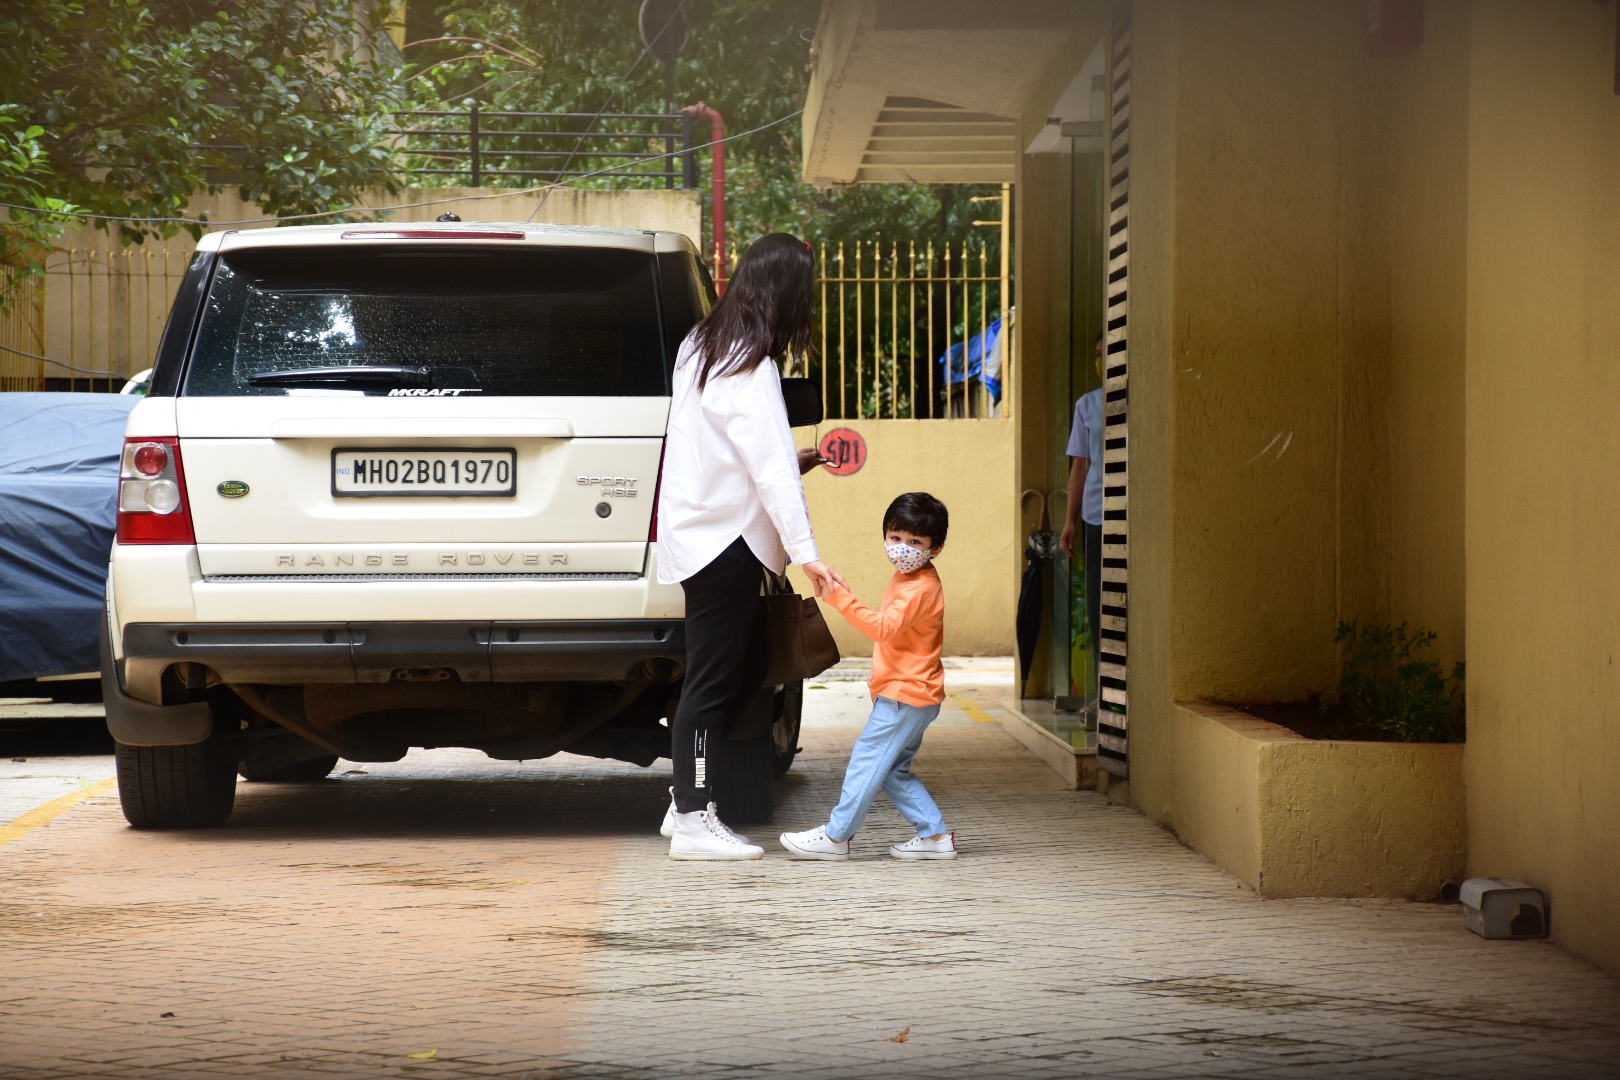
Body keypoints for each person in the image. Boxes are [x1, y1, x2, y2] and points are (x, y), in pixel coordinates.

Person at [656, 233, 845, 862]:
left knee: (731, 677)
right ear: (786, 290)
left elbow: (732, 457)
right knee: (715, 683)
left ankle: (687, 795)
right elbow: (766, 468)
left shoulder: (702, 347)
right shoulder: (750, 363)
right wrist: (809, 551)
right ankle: (690, 818)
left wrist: (796, 463)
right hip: (726, 544)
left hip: (705, 533)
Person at [779, 492, 956, 861]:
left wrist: (839, 597)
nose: (902, 548)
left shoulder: (919, 587)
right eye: (895, 538)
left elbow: (884, 628)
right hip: (915, 695)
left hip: (904, 696)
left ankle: (836, 837)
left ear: (934, 548)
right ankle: (936, 837)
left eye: (915, 542)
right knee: (892, 770)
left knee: (866, 762)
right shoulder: (912, 579)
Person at [1060, 334, 1106, 680]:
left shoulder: (1145, 397)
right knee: (1098, 603)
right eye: (1097, 353)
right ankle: (1104, 692)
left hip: (1136, 519)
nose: (1101, 360)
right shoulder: (1088, 405)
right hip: (1095, 515)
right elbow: (1080, 465)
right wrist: (1070, 521)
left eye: (1106, 353)